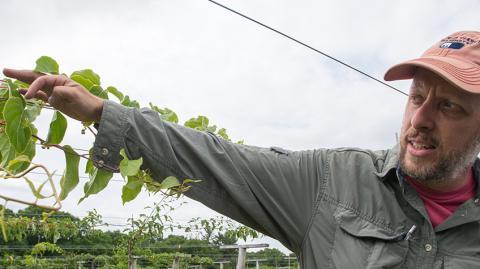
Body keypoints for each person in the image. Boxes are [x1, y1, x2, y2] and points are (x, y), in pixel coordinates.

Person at [3, 30, 480, 268]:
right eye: (416, 98)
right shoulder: (333, 182)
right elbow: (214, 157)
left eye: (449, 107)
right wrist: (97, 111)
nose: (419, 119)